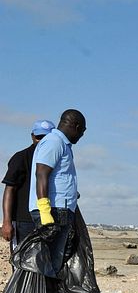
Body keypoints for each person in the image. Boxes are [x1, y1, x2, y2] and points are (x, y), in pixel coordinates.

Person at [30, 109, 87, 275]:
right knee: (49, 261)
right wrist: (45, 210)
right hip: (53, 210)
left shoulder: (62, 145)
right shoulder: (54, 142)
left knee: (55, 262)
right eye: (82, 131)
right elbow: (41, 173)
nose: (81, 136)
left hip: (61, 209)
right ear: (76, 126)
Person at [2, 120, 55, 253]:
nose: (42, 141)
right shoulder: (21, 157)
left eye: (46, 137)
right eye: (39, 137)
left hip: (49, 220)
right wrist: (7, 222)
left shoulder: (56, 158)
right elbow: (10, 188)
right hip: (23, 221)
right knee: (21, 264)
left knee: (46, 265)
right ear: (32, 136)